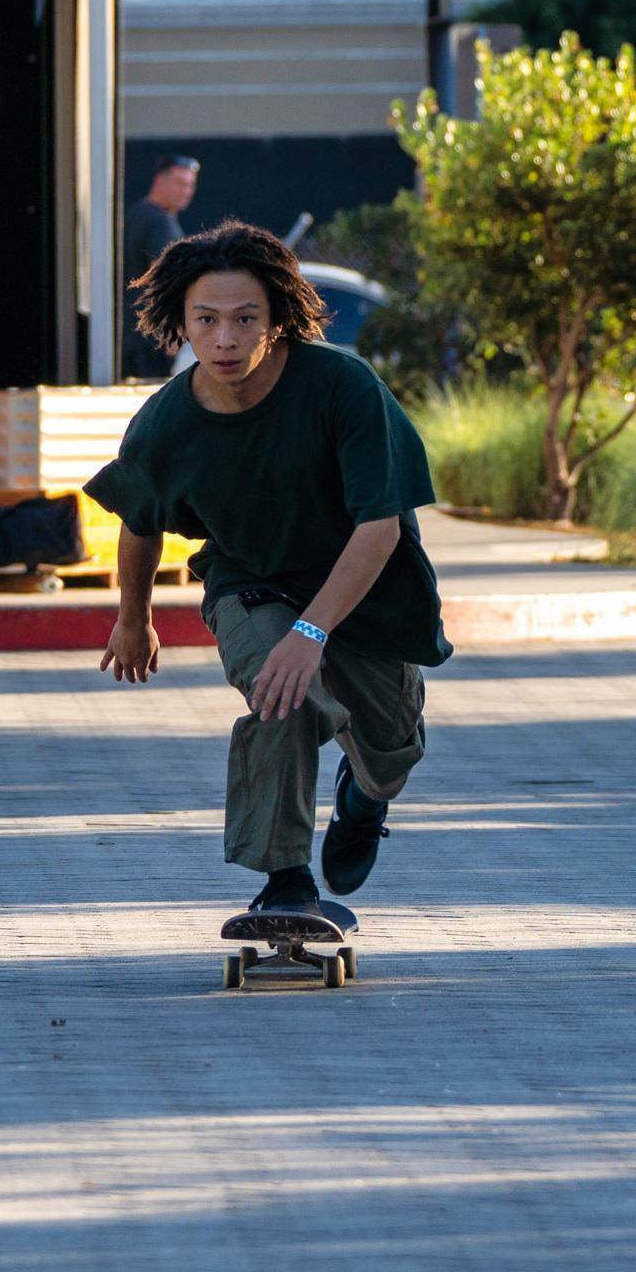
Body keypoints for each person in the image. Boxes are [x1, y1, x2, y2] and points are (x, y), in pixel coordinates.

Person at [87, 220, 452, 918]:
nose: (224, 338)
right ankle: (285, 881)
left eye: (244, 319)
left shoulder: (342, 388)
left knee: (391, 754)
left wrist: (313, 631)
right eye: (206, 320)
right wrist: (131, 620)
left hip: (365, 590)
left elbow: (379, 527)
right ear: (181, 326)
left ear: (276, 320)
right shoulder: (167, 421)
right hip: (251, 583)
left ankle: (362, 797)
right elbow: (139, 520)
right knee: (280, 696)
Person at [121, 153, 198, 379]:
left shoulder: (137, 213)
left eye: (191, 185)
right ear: (159, 181)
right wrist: (173, 330)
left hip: (132, 335)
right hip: (152, 339)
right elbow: (165, 279)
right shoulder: (158, 222)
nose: (186, 191)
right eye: (180, 183)